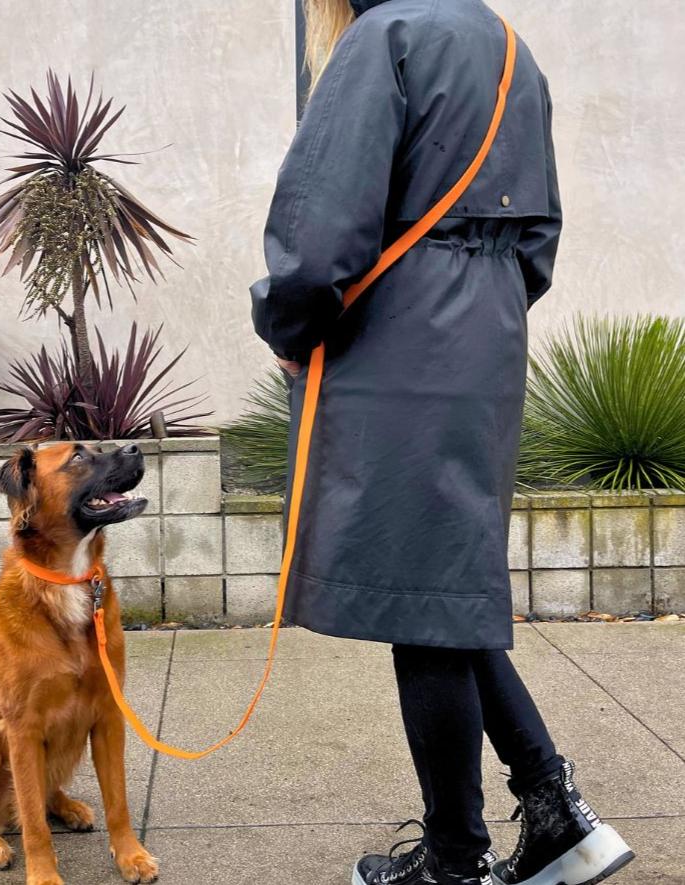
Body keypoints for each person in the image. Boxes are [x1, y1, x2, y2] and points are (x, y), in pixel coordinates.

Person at [249, 2, 635, 884]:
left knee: (421, 601)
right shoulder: (510, 47)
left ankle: (455, 865)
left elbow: (317, 235)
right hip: (486, 336)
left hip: (402, 338)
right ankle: (553, 812)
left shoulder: (382, 38)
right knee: (442, 589)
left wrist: (288, 324)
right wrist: (481, 308)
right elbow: (541, 237)